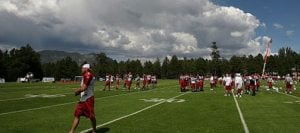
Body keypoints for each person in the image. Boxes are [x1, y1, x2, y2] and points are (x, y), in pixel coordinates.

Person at [69, 64, 96, 133]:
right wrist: (79, 91)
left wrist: (77, 91)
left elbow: (84, 88)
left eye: (82, 68)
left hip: (88, 98)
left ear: (86, 69)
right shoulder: (86, 75)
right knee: (77, 115)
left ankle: (94, 130)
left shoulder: (88, 74)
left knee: (92, 117)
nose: (81, 69)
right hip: (83, 99)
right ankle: (71, 131)